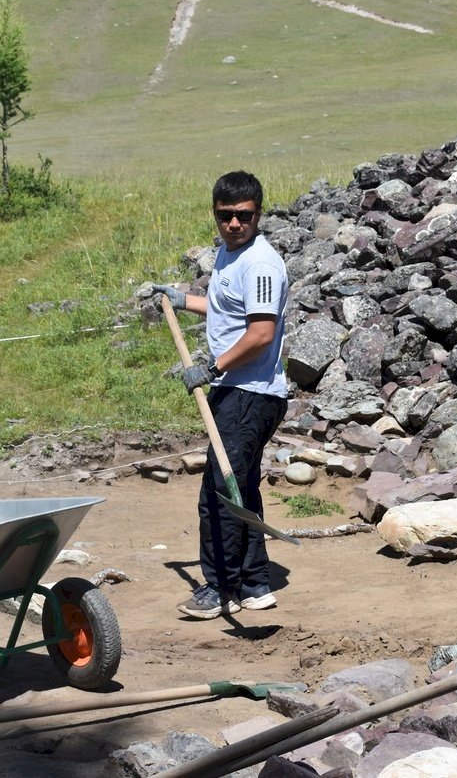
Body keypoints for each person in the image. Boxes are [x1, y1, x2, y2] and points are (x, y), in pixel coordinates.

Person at [153, 170, 289, 620]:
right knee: (240, 486)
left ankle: (219, 587)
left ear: (258, 214)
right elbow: (223, 302)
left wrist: (212, 367)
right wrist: (178, 297)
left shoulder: (261, 263)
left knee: (219, 493)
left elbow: (262, 333)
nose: (234, 223)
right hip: (237, 389)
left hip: (251, 393)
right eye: (226, 215)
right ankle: (253, 585)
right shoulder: (231, 254)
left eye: (244, 216)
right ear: (216, 214)